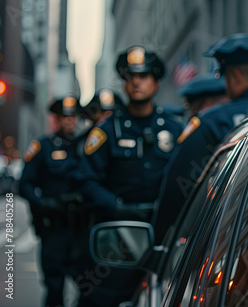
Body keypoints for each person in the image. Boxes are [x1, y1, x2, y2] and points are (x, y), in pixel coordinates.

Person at [77, 45, 183, 306]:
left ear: (156, 83)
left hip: (164, 238)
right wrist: (119, 208)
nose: (136, 82)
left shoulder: (175, 129)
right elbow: (86, 181)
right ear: (124, 84)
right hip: (117, 240)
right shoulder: (106, 132)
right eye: (130, 77)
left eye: (144, 76)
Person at [153, 33, 248, 242]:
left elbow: (178, 189)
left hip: (230, 242)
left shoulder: (212, 121)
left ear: (235, 75)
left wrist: (157, 242)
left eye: (223, 75)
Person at [19, 95, 87, 307]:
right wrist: (44, 204)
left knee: (88, 287)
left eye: (73, 117)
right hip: (54, 228)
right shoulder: (43, 146)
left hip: (79, 228)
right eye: (65, 117)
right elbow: (25, 184)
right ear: (57, 119)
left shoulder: (85, 146)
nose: (70, 121)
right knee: (54, 287)